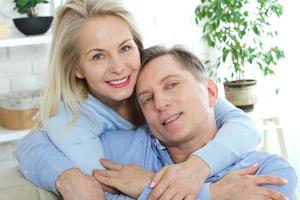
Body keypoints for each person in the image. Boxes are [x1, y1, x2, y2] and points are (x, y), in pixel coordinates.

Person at [15, 0, 261, 199]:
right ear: (76, 68)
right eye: (98, 56)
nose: (119, 67)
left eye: (125, 48)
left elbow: (244, 126)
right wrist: (210, 194)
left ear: (138, 45)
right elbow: (109, 190)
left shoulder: (151, 78)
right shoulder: (69, 118)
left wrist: (196, 167)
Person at [90, 45, 297, 199]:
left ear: (210, 92)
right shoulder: (122, 149)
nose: (160, 103)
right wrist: (212, 194)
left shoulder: (269, 171)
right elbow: (59, 139)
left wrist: (147, 184)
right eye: (147, 99)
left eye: (172, 85)